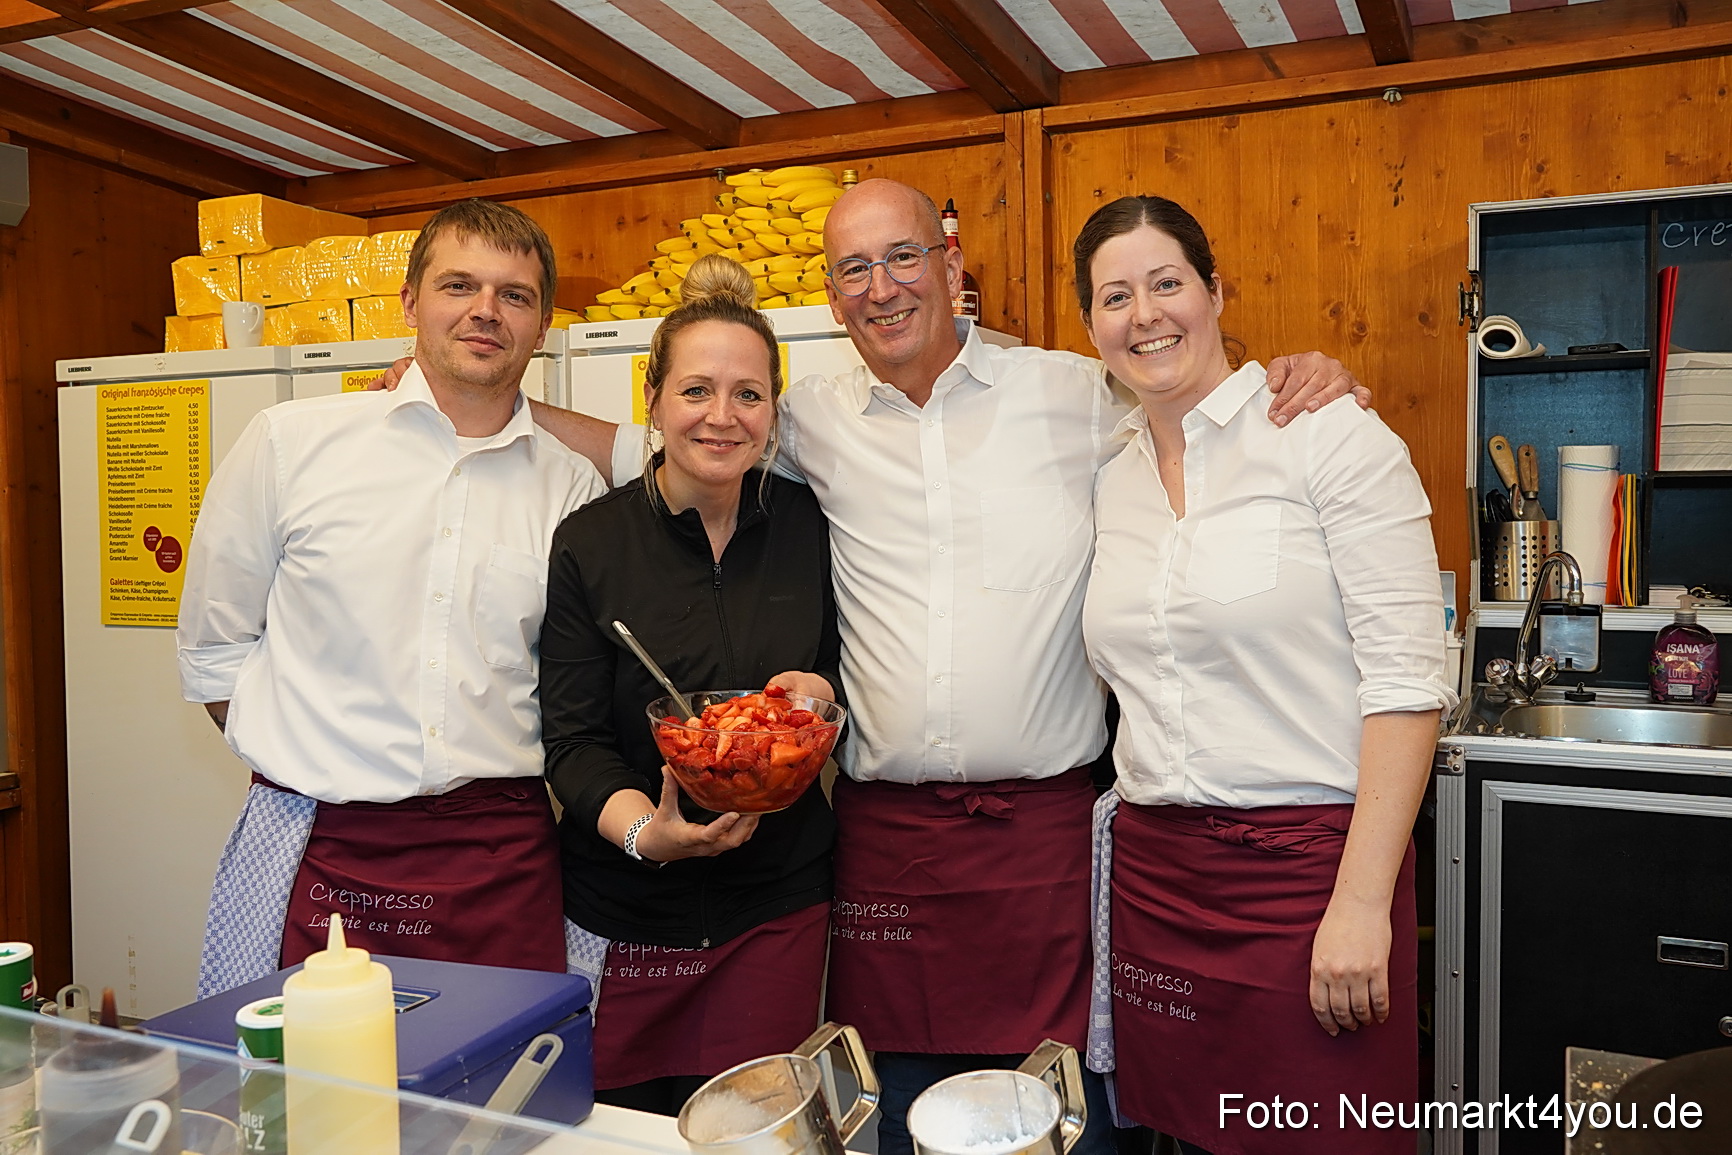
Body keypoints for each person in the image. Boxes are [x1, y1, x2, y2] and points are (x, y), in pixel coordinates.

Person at [371, 179, 1367, 1154]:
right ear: (832, 293)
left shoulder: (1069, 392)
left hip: (1045, 839)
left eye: (901, 257)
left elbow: (1187, 397)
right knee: (888, 1113)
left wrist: (1298, 378)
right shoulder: (811, 423)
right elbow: (672, 446)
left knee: (1059, 1117)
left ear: (948, 265)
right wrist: (466, 400)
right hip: (885, 848)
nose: (881, 286)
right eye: (854, 268)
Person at [1073, 195, 1454, 1154]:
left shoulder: (1327, 434)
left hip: (1315, 878)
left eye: (1168, 283)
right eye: (1116, 296)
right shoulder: (1108, 478)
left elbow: (1409, 683)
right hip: (1160, 883)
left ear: (1216, 293)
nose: (1145, 313)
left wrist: (1364, 905)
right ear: (1090, 328)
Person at [178, 199, 608, 997]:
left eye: (514, 295)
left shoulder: (572, 485)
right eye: (459, 285)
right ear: (410, 301)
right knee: (318, 1104)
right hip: (326, 849)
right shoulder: (290, 443)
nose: (485, 310)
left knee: (507, 1107)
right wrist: (308, 752)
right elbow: (214, 655)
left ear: (542, 323)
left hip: (501, 857)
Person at [539, 256, 842, 1116]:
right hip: (623, 907)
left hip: (776, 907)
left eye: (748, 393)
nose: (722, 416)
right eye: (697, 390)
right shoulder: (590, 544)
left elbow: (845, 675)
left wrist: (820, 693)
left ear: (773, 410)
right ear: (654, 398)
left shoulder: (810, 529)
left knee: (754, 1131)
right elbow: (571, 741)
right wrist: (646, 833)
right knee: (617, 1131)